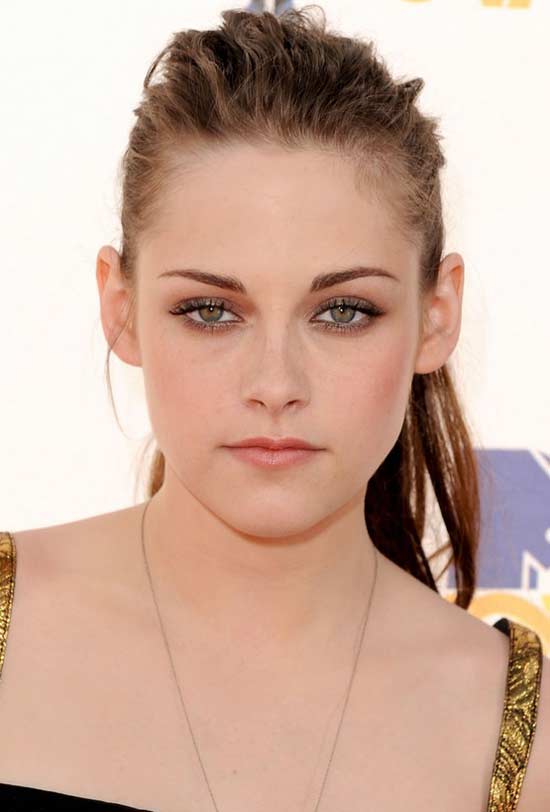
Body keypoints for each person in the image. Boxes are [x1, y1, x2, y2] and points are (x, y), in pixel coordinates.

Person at [0, 6, 548, 811]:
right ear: (121, 308)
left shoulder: (525, 741)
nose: (275, 382)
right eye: (210, 311)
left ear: (437, 317)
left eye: (344, 312)